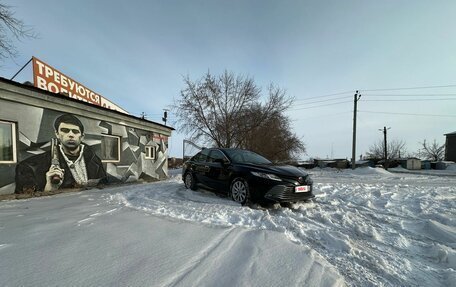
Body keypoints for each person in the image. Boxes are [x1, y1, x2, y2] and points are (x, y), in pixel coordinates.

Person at [15, 113, 107, 193]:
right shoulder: (29, 167)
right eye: (65, 130)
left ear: (82, 136)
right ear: (57, 134)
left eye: (75, 131)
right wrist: (49, 189)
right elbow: (25, 205)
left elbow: (104, 188)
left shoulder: (94, 160)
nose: (71, 135)